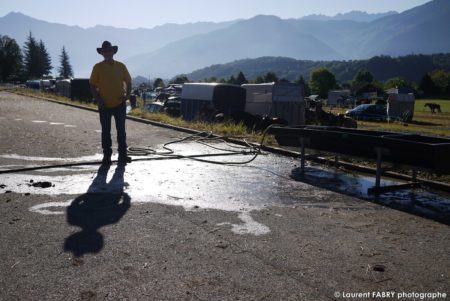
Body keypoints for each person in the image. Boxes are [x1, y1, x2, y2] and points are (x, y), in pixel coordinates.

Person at [89, 41, 132, 164]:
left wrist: (127, 96)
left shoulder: (121, 66)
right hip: (104, 106)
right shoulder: (97, 67)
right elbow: (91, 84)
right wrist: (99, 100)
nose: (107, 53)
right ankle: (107, 157)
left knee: (121, 131)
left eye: (109, 50)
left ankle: (122, 156)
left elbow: (129, 82)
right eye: (105, 51)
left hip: (120, 105)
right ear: (102, 53)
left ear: (113, 51)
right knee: (106, 132)